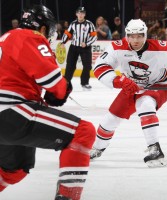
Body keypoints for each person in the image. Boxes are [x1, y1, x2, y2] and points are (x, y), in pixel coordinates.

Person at [0, 5, 96, 200]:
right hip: (11, 113)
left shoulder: (5, 38)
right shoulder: (30, 37)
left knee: (14, 169)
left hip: (8, 113)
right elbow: (55, 83)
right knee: (83, 132)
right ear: (43, 28)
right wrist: (62, 90)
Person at [90, 19, 167, 167]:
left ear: (145, 35)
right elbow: (100, 67)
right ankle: (97, 148)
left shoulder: (159, 49)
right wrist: (118, 81)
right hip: (131, 87)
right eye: (132, 36)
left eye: (139, 36)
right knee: (110, 119)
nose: (135, 40)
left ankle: (155, 148)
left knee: (145, 104)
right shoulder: (116, 48)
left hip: (157, 86)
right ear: (126, 35)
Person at [61, 7, 97, 91]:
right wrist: (63, 42)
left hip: (86, 48)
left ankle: (85, 83)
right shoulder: (73, 24)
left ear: (84, 14)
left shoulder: (89, 24)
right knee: (70, 65)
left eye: (82, 13)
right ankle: (66, 82)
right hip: (74, 47)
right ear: (76, 14)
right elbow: (68, 34)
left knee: (87, 66)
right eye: (79, 13)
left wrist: (87, 43)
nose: (80, 15)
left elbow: (94, 36)